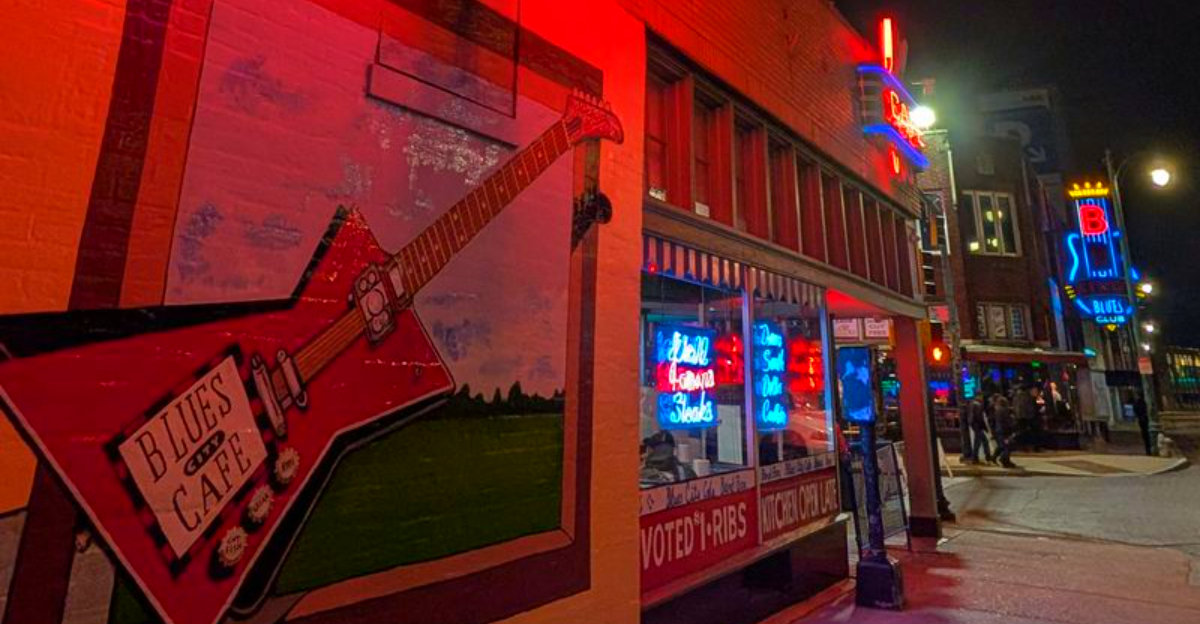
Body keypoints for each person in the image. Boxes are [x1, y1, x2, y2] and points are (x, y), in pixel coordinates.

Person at [989, 393, 1017, 468]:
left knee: (1002, 445)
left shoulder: (997, 410)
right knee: (1007, 446)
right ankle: (1005, 460)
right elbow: (1007, 422)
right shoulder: (1005, 411)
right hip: (1005, 431)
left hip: (999, 430)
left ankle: (995, 457)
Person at [966, 396, 993, 464]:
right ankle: (986, 456)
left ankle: (976, 457)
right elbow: (979, 418)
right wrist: (985, 428)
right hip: (978, 426)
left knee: (978, 442)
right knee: (983, 441)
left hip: (974, 425)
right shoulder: (978, 405)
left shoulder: (972, 404)